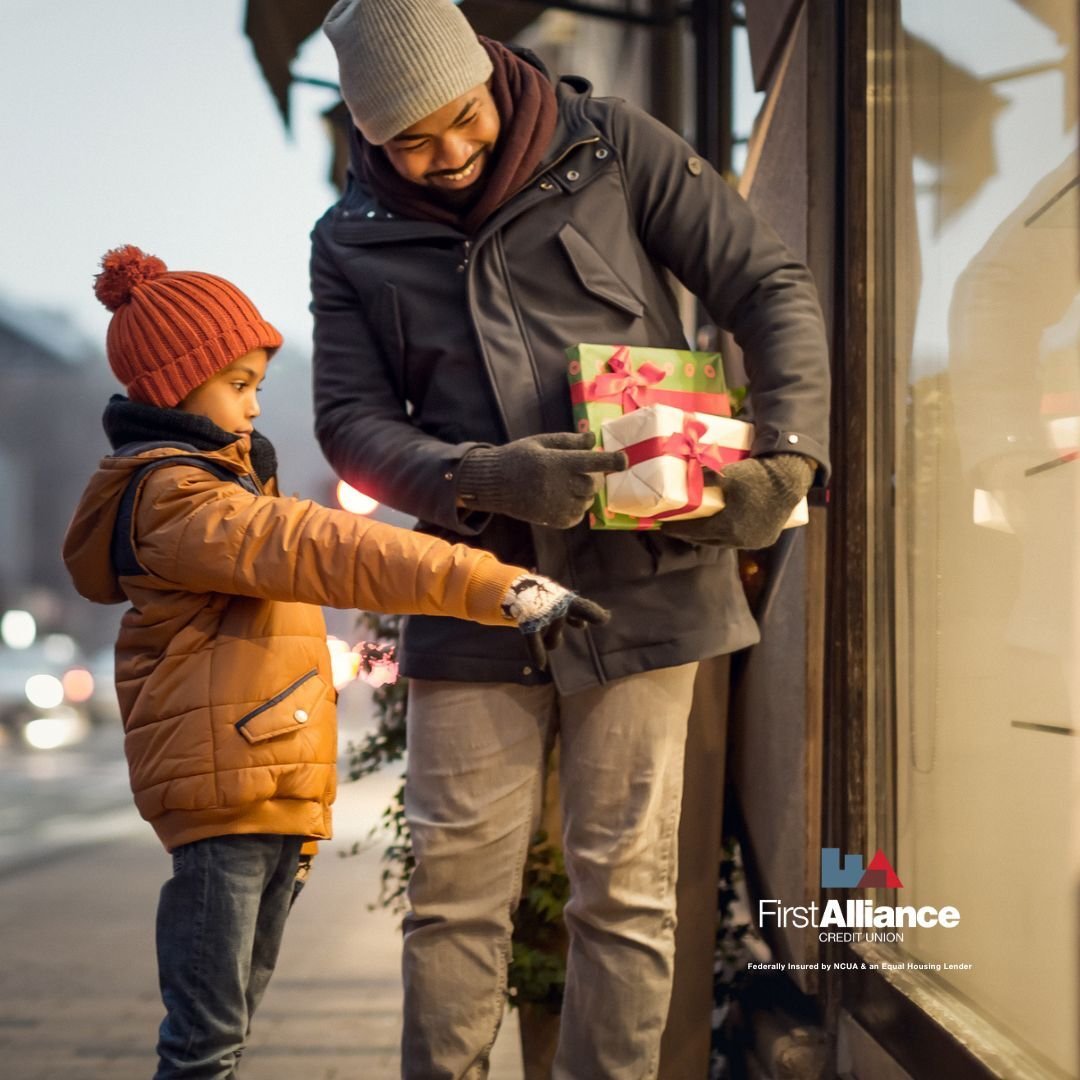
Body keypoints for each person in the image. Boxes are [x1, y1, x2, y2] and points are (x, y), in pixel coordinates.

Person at [312, 1, 831, 1076]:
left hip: (652, 581)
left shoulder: (614, 144)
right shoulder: (348, 243)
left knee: (629, 896)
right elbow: (350, 423)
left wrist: (785, 454)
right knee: (451, 907)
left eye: (462, 119)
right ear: (366, 133)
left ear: (490, 78)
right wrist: (476, 476)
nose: (450, 154)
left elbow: (766, 283)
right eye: (412, 138)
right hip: (472, 593)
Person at [61, 244, 608, 1080]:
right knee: (205, 1044)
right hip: (227, 801)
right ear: (176, 386)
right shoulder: (180, 501)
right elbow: (330, 547)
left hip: (263, 789)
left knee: (224, 1031)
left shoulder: (225, 488)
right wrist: (498, 585)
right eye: (237, 383)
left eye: (257, 384)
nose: (253, 404)